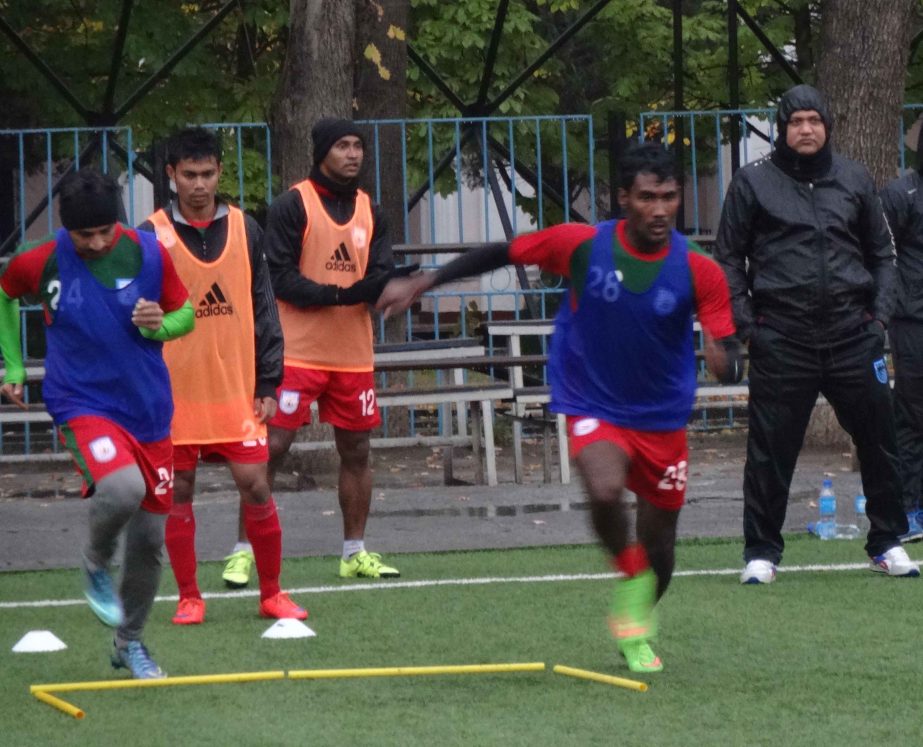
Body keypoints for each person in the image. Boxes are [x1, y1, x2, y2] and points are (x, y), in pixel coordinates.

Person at [376, 142, 743, 673]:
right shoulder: (581, 245)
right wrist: (424, 280)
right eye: (647, 197)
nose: (660, 209)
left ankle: (637, 611)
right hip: (591, 396)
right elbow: (504, 252)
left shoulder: (699, 270)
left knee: (662, 546)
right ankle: (629, 571)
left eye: (669, 197)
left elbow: (729, 356)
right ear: (623, 199)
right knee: (602, 488)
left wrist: (723, 359)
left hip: (662, 415)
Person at [715, 84, 919, 583]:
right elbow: (727, 260)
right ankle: (761, 552)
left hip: (854, 335)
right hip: (782, 336)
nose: (805, 129)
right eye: (795, 121)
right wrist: (749, 328)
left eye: (814, 120)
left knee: (880, 440)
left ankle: (888, 541)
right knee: (770, 448)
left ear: (827, 125)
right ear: (781, 129)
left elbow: (882, 255)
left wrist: (878, 319)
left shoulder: (854, 178)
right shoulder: (752, 182)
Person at [0, 169, 194, 678]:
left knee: (151, 541)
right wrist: (15, 366)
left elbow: (186, 314)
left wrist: (162, 323)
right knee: (122, 487)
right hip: (81, 401)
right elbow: (4, 292)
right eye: (85, 235)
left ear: (119, 222)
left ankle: (129, 642)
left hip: (149, 411)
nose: (97, 241)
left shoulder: (150, 253)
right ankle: (94, 560)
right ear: (68, 229)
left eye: (106, 231)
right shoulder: (40, 259)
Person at [138, 127, 306, 624]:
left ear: (218, 172)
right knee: (179, 490)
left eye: (207, 173)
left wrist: (269, 382)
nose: (199, 184)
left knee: (256, 485)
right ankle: (189, 596)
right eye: (188, 174)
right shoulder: (150, 236)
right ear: (171, 175)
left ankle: (272, 593)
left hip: (236, 390)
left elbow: (264, 307)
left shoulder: (245, 228)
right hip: (176, 393)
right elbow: (139, 315)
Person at [262, 117, 403, 579]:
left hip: (353, 355)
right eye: (342, 145)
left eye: (358, 145)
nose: (353, 154)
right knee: (273, 445)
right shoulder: (292, 205)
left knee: (358, 450)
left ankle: (354, 551)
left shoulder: (372, 210)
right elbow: (281, 279)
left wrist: (387, 284)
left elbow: (379, 271)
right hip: (297, 351)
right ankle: (248, 548)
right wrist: (342, 295)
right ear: (323, 150)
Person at [880, 126, 923, 544]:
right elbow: (879, 251)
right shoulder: (901, 194)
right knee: (912, 411)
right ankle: (909, 508)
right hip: (913, 321)